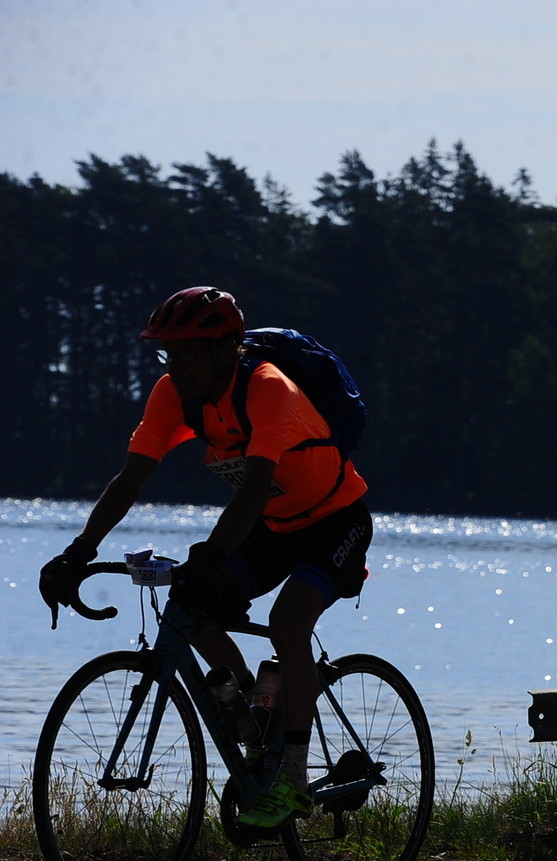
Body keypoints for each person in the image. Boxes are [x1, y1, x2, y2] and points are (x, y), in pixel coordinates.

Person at [37, 286, 373, 828]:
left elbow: (256, 485)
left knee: (288, 623)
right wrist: (78, 552)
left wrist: (211, 554)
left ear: (225, 350)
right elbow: (130, 479)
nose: (177, 366)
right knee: (193, 610)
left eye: (190, 353)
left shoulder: (268, 387)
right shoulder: (174, 394)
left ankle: (292, 779)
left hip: (336, 519)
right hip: (273, 526)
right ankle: (256, 717)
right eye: (169, 353)